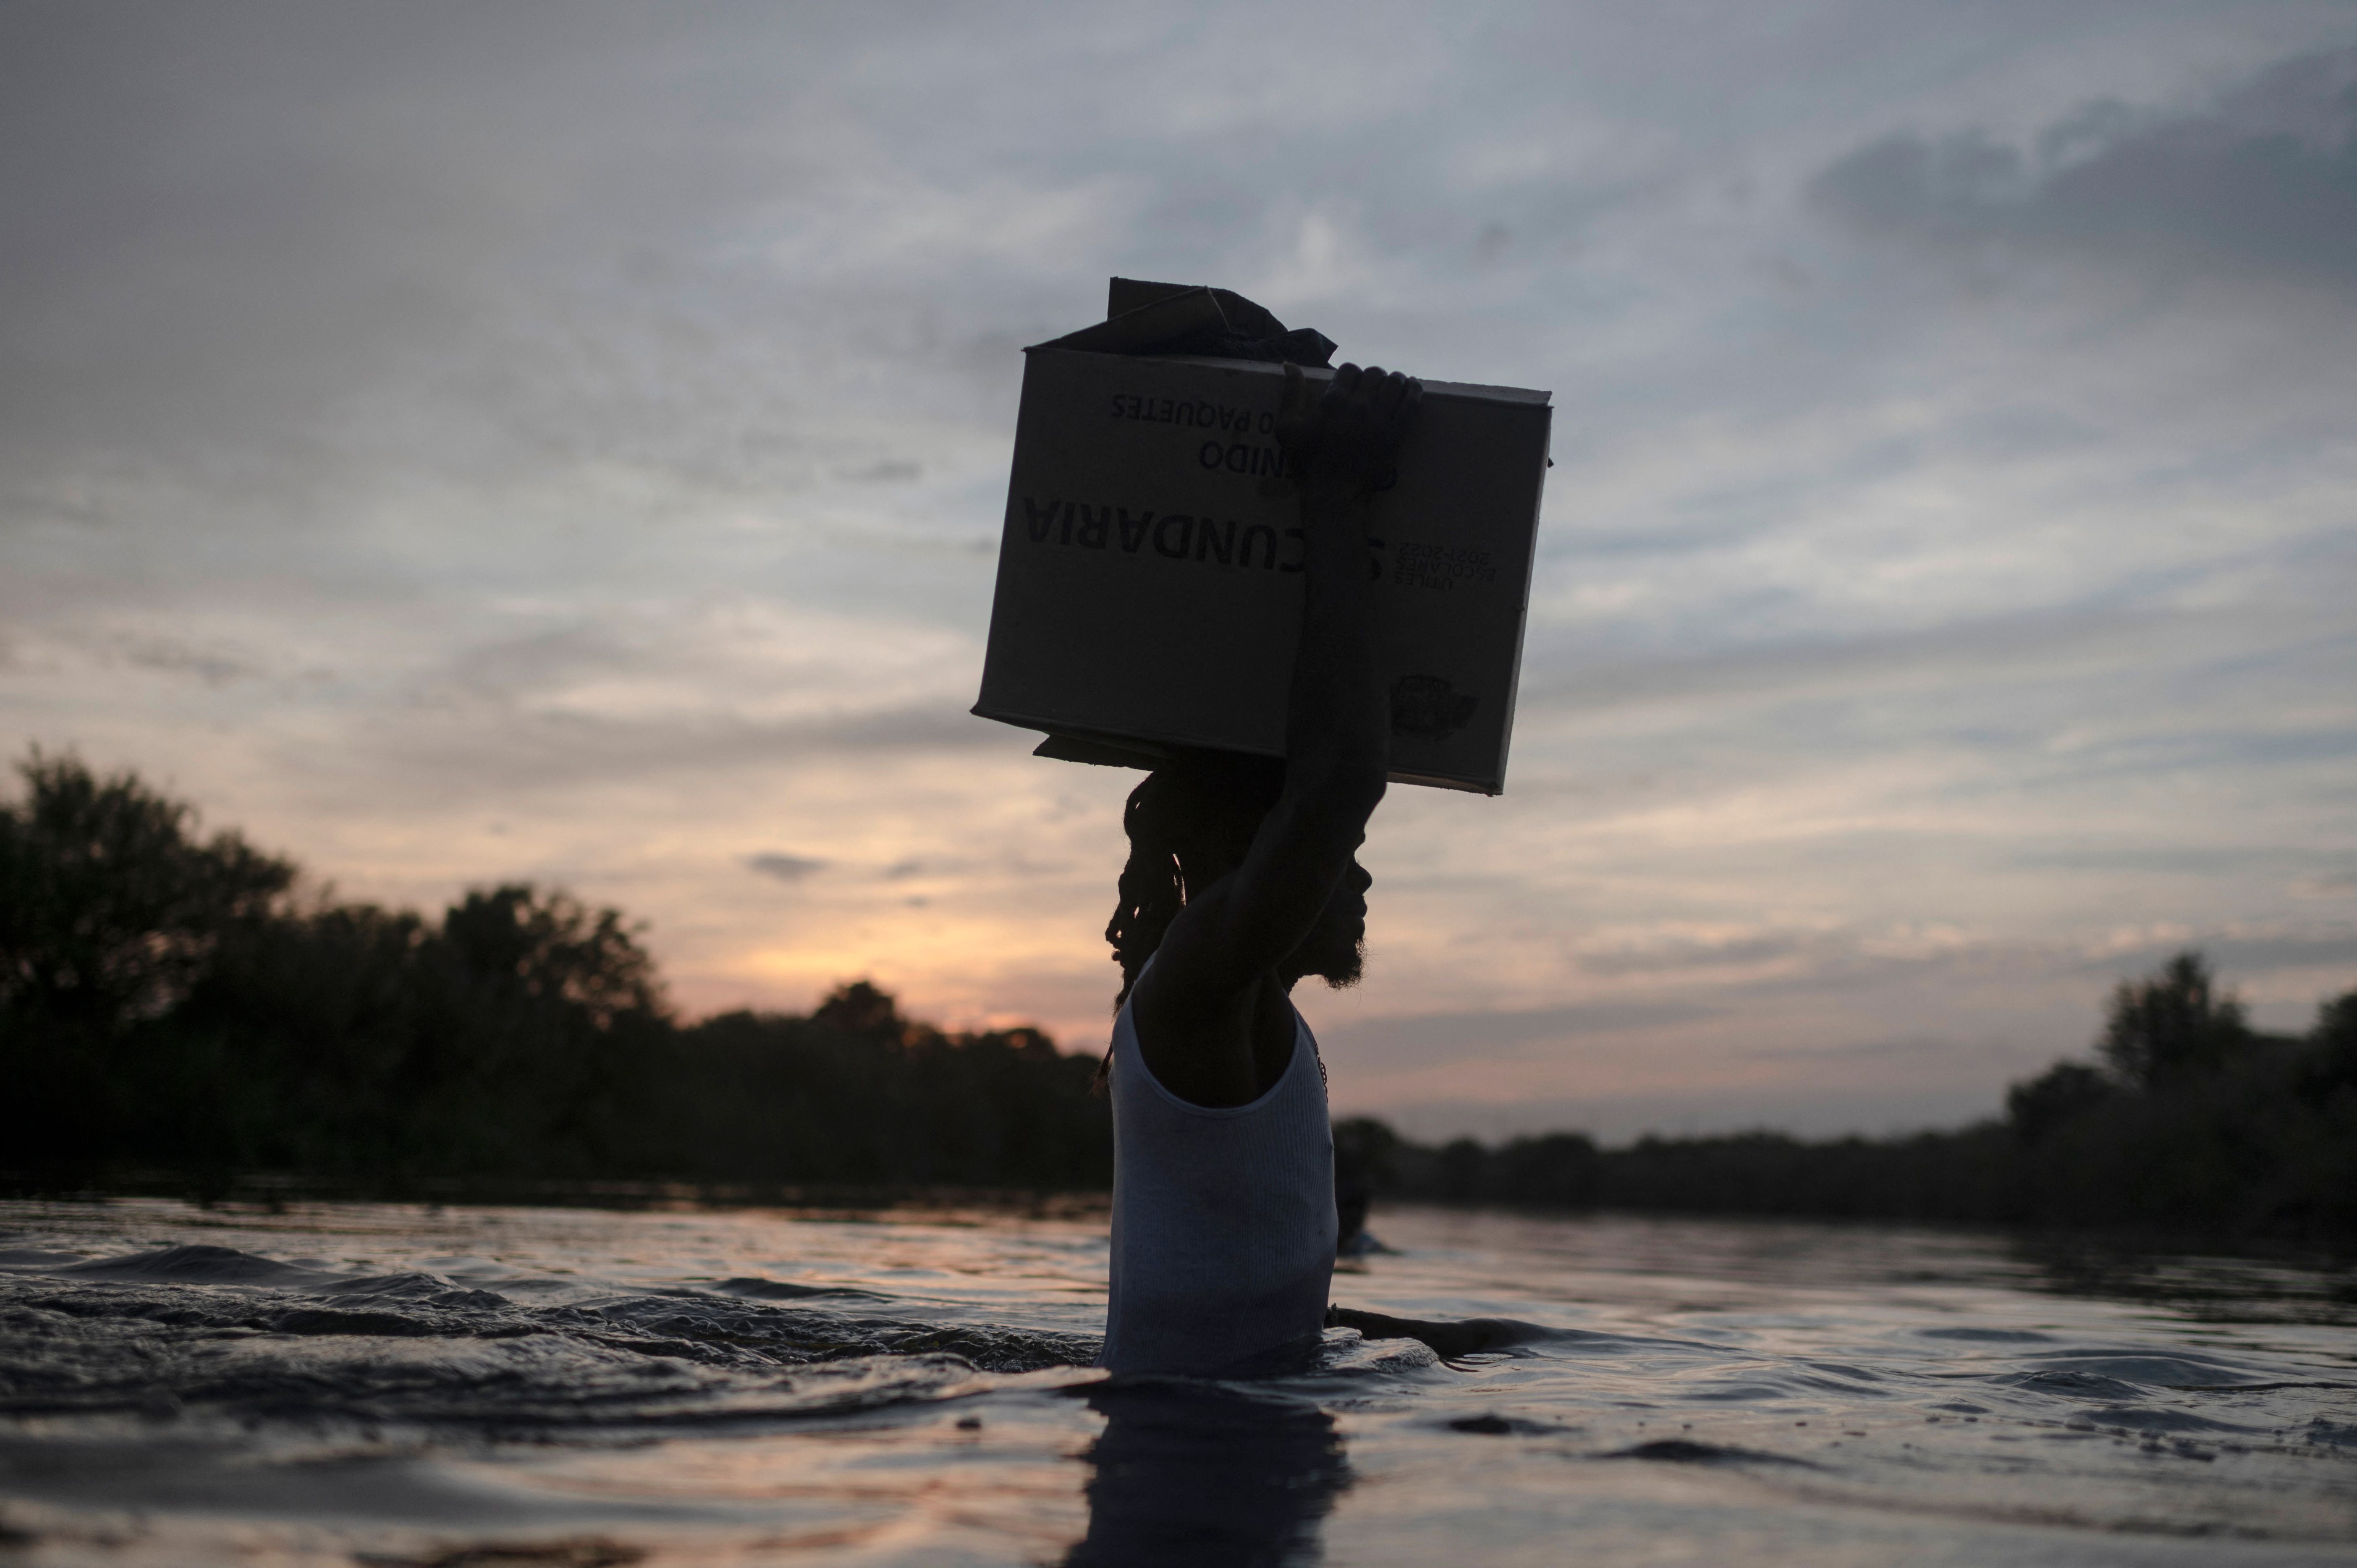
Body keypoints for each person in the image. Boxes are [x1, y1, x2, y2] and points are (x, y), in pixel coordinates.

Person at [1096, 360, 1428, 1377]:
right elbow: (1336, 783)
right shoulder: (1198, 983)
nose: (1354, 878)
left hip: (1220, 1451)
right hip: (1189, 1464)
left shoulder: (1241, 1012)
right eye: (1340, 854)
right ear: (1253, 848)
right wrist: (1332, 488)